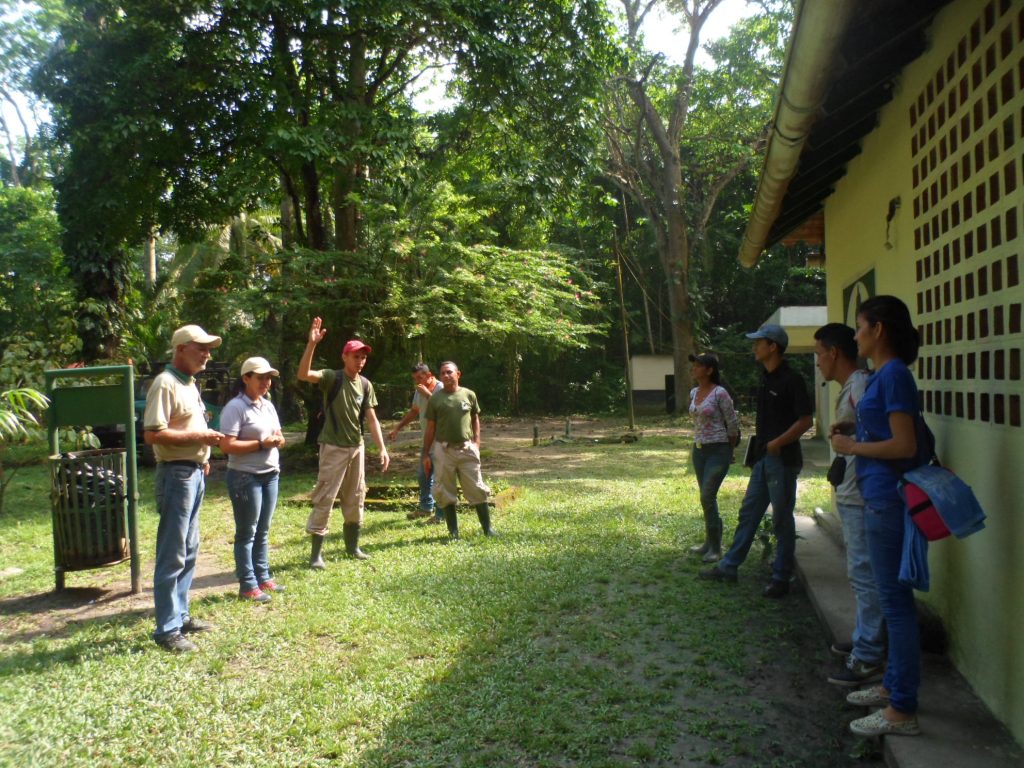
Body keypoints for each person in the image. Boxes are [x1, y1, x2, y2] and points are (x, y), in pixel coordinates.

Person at [830, 296, 925, 737]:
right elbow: (888, 430)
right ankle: (891, 687)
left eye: (859, 326)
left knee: (896, 605)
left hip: (888, 499)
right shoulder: (884, 375)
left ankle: (901, 710)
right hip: (876, 497)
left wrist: (853, 447)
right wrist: (857, 429)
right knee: (891, 601)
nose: (855, 336)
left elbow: (905, 445)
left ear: (879, 329)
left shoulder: (894, 375)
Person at [699, 323, 813, 597]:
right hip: (763, 459)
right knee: (748, 513)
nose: (754, 346)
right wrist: (759, 451)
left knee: (781, 519)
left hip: (782, 460)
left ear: (773, 346)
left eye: (758, 342)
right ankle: (729, 566)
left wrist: (777, 443)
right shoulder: (765, 378)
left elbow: (805, 420)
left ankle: (781, 578)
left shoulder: (792, 380)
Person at [143, 324, 226, 653]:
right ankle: (167, 629)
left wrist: (202, 456)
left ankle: (181, 615)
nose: (207, 354)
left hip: (194, 472)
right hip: (176, 475)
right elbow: (152, 433)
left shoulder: (189, 384)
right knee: (172, 552)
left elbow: (187, 424)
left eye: (208, 349)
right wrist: (201, 438)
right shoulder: (165, 383)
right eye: (200, 348)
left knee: (189, 549)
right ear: (180, 349)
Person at [813, 323, 885, 687]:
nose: (818, 363)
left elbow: (883, 436)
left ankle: (869, 654)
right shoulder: (856, 387)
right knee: (861, 572)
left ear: (833, 353)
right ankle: (864, 639)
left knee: (864, 573)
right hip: (855, 492)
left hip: (861, 495)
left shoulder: (859, 386)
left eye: (819, 354)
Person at [298, 317, 390, 565]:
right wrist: (312, 344)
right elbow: (304, 374)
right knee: (325, 497)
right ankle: (316, 555)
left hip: (356, 447)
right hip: (333, 447)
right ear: (344, 357)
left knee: (356, 496)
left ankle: (353, 548)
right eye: (355, 356)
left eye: (363, 357)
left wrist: (382, 448)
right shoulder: (332, 377)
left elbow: (372, 419)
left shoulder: (366, 384)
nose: (360, 361)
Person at [218, 357, 287, 604]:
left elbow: (278, 435)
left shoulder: (267, 406)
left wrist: (278, 440)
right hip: (244, 477)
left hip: (270, 474)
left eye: (269, 378)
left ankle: (263, 576)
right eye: (260, 378)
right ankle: (247, 584)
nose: (266, 382)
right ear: (246, 378)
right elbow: (226, 445)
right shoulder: (235, 407)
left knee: (263, 530)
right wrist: (261, 444)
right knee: (247, 532)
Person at [422, 361, 493, 540]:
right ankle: (453, 533)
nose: (446, 376)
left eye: (449, 372)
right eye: (442, 373)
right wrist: (426, 453)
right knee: (445, 491)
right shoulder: (435, 399)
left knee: (476, 488)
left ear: (458, 374)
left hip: (467, 449)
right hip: (443, 450)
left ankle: (488, 529)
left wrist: (476, 442)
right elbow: (430, 427)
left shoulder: (469, 394)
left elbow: (475, 418)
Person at [686, 352, 740, 563]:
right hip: (699, 450)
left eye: (698, 365)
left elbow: (732, 424)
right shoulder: (694, 392)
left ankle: (716, 548)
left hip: (718, 450)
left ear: (710, 370)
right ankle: (709, 543)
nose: (694, 368)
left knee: (707, 496)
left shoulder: (720, 393)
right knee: (706, 497)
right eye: (694, 365)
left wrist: (730, 449)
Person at [387, 363, 444, 523]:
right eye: (415, 378)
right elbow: (414, 411)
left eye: (420, 377)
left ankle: (441, 514)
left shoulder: (441, 388)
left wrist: (427, 394)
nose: (417, 381)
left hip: (442, 442)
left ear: (429, 375)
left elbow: (445, 409)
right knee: (423, 476)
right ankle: (425, 508)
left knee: (440, 478)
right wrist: (397, 428)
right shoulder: (419, 391)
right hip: (427, 441)